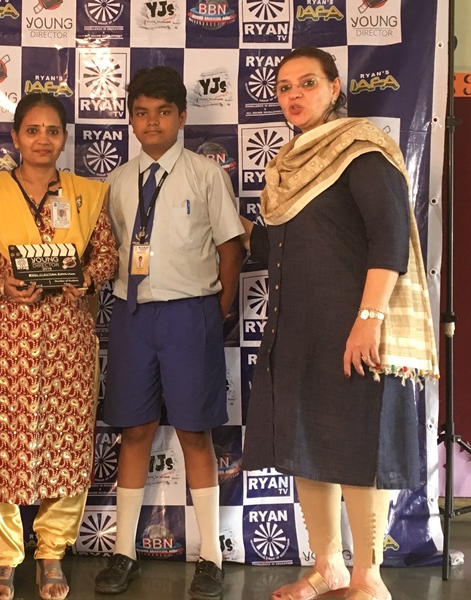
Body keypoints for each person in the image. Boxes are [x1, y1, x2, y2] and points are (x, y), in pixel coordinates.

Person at [239, 46, 439, 600]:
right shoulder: (286, 167)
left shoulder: (360, 151)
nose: (293, 95)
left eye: (307, 83)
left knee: (358, 449)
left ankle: (368, 576)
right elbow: (281, 246)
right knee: (306, 448)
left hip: (353, 329)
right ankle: (327, 568)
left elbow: (389, 238)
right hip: (295, 330)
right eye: (283, 87)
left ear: (333, 88)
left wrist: (369, 319)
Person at [0, 92, 118, 600]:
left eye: (52, 131)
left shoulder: (86, 195)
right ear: (15, 137)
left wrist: (86, 279)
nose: (43, 139)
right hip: (5, 337)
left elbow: (106, 255)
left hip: (68, 338)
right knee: (1, 441)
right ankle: (4, 557)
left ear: (64, 138)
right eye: (32, 130)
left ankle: (52, 552)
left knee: (66, 441)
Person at [94, 66, 244, 599]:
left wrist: (216, 309)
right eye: (141, 113)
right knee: (134, 431)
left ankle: (211, 557)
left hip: (190, 314)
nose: (152, 122)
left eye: (163, 112)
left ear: (181, 117)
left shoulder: (205, 174)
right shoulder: (118, 180)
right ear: (131, 120)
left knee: (194, 433)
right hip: (133, 314)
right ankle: (123, 552)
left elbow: (231, 247)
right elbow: (110, 248)